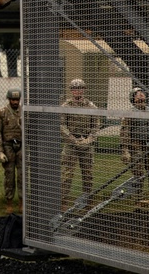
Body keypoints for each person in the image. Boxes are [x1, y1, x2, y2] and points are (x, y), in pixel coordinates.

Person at [60, 78, 102, 210]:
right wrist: (72, 139)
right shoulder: (65, 107)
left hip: (86, 144)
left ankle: (88, 202)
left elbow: (96, 125)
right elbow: (61, 125)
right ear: (71, 91)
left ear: (84, 90)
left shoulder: (91, 107)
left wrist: (89, 140)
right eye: (75, 88)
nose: (77, 91)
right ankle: (63, 202)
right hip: (71, 145)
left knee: (88, 174)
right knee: (67, 174)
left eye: (80, 88)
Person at [120, 88, 149, 209]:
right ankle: (138, 202)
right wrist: (125, 151)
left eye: (142, 94)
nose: (140, 96)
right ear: (133, 98)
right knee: (138, 175)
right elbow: (125, 133)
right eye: (137, 94)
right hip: (136, 147)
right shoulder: (129, 113)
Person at [0, 88, 23, 214]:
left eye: (17, 99)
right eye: (13, 99)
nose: (15, 102)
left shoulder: (24, 112)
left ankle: (22, 203)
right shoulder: (2, 112)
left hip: (22, 145)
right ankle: (9, 203)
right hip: (8, 145)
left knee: (22, 176)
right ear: (9, 99)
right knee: (9, 175)